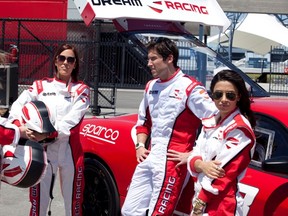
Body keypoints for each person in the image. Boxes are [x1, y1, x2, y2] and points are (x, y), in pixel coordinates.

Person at [121, 37, 218, 216]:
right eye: (148, 59)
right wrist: (140, 146)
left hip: (173, 163)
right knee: (129, 211)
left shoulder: (190, 88)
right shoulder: (151, 86)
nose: (149, 63)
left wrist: (194, 154)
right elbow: (143, 122)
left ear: (169, 58)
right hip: (149, 157)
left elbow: (215, 123)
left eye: (153, 59)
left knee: (159, 213)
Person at [8, 43, 90, 216]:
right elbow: (17, 105)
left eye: (70, 60)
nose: (65, 63)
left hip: (70, 151)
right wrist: (20, 127)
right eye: (62, 58)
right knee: (39, 203)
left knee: (73, 203)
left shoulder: (82, 90)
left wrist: (47, 133)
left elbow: (72, 120)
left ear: (75, 64)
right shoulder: (40, 86)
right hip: (43, 151)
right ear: (55, 61)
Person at [187, 69, 256, 216]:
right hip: (200, 196)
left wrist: (200, 202)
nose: (223, 99)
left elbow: (222, 172)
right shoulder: (210, 121)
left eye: (230, 95)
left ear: (238, 97)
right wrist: (201, 165)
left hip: (223, 205)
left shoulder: (240, 128)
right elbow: (194, 154)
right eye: (218, 94)